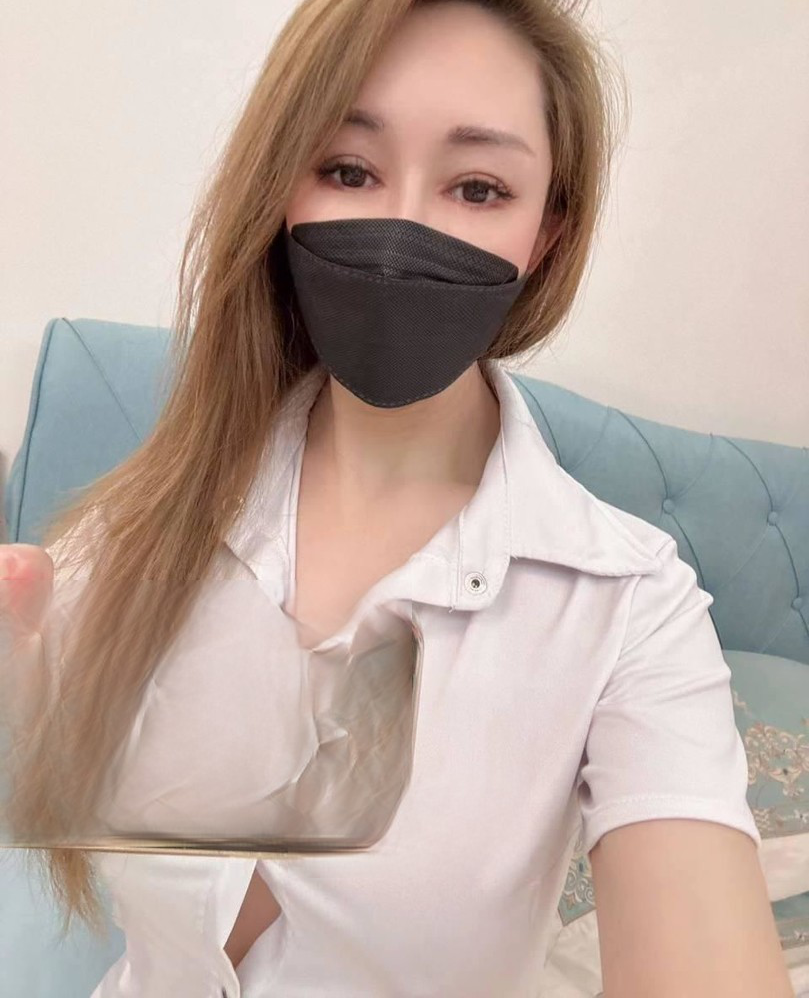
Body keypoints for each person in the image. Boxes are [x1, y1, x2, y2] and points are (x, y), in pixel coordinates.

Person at [1, 1, 790, 996]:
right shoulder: (137, 529)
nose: (401, 231)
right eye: (347, 170)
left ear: (544, 232)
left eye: (477, 186)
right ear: (280, 190)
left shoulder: (629, 609)